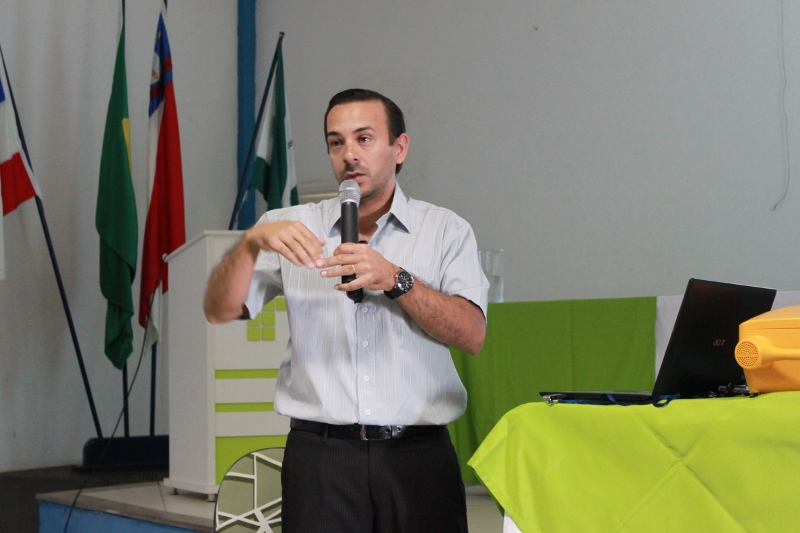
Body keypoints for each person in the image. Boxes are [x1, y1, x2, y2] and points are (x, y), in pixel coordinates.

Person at [204, 88, 489, 532]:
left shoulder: (445, 230)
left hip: (418, 456)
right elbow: (219, 309)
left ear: (399, 147)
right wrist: (249, 244)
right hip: (321, 458)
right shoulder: (288, 226)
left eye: (364, 138)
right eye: (336, 142)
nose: (349, 154)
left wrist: (395, 278)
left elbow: (471, 334)